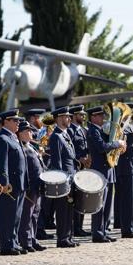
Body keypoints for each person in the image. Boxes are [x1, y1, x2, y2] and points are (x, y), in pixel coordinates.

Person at [0, 109, 28, 255]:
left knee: (16, 215)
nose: (18, 123)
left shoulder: (13, 137)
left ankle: (13, 242)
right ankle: (6, 246)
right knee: (7, 215)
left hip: (19, 182)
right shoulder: (1, 138)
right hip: (10, 184)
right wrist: (4, 182)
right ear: (6, 121)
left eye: (18, 120)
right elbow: (2, 163)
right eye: (15, 120)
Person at [87, 105, 124, 242]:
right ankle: (97, 232)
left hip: (107, 170)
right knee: (99, 204)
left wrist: (118, 145)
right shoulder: (93, 131)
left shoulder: (100, 130)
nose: (103, 118)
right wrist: (117, 143)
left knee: (107, 204)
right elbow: (102, 147)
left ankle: (103, 230)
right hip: (99, 171)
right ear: (93, 117)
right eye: (100, 116)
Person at [48, 106, 78, 248]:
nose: (69, 119)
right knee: (62, 209)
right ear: (59, 119)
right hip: (63, 179)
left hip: (71, 177)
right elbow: (57, 162)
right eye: (66, 117)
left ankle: (68, 236)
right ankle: (62, 238)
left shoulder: (65, 134)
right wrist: (62, 180)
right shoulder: (56, 137)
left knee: (69, 208)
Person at [17, 121, 46, 252]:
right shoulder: (21, 147)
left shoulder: (31, 146)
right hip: (30, 186)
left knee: (35, 214)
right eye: (27, 131)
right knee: (26, 216)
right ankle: (26, 241)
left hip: (38, 185)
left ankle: (33, 239)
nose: (31, 133)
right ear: (21, 133)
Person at [115, 103, 133, 238]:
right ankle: (126, 229)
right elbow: (123, 144)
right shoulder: (121, 127)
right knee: (127, 200)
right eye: (130, 113)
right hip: (126, 167)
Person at [67, 105, 91, 237]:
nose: (82, 117)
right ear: (74, 115)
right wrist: (79, 159)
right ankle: (74, 227)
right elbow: (69, 151)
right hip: (75, 167)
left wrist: (88, 158)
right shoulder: (70, 131)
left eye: (83, 115)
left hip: (83, 167)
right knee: (74, 198)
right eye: (80, 115)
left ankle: (79, 226)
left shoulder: (82, 130)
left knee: (82, 197)